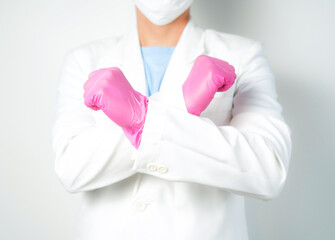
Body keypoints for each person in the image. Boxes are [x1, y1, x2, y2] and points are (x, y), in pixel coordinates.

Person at [52, 0, 292, 239]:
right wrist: (179, 104)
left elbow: (268, 170)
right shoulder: (84, 60)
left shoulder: (243, 55)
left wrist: (141, 119)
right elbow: (71, 169)